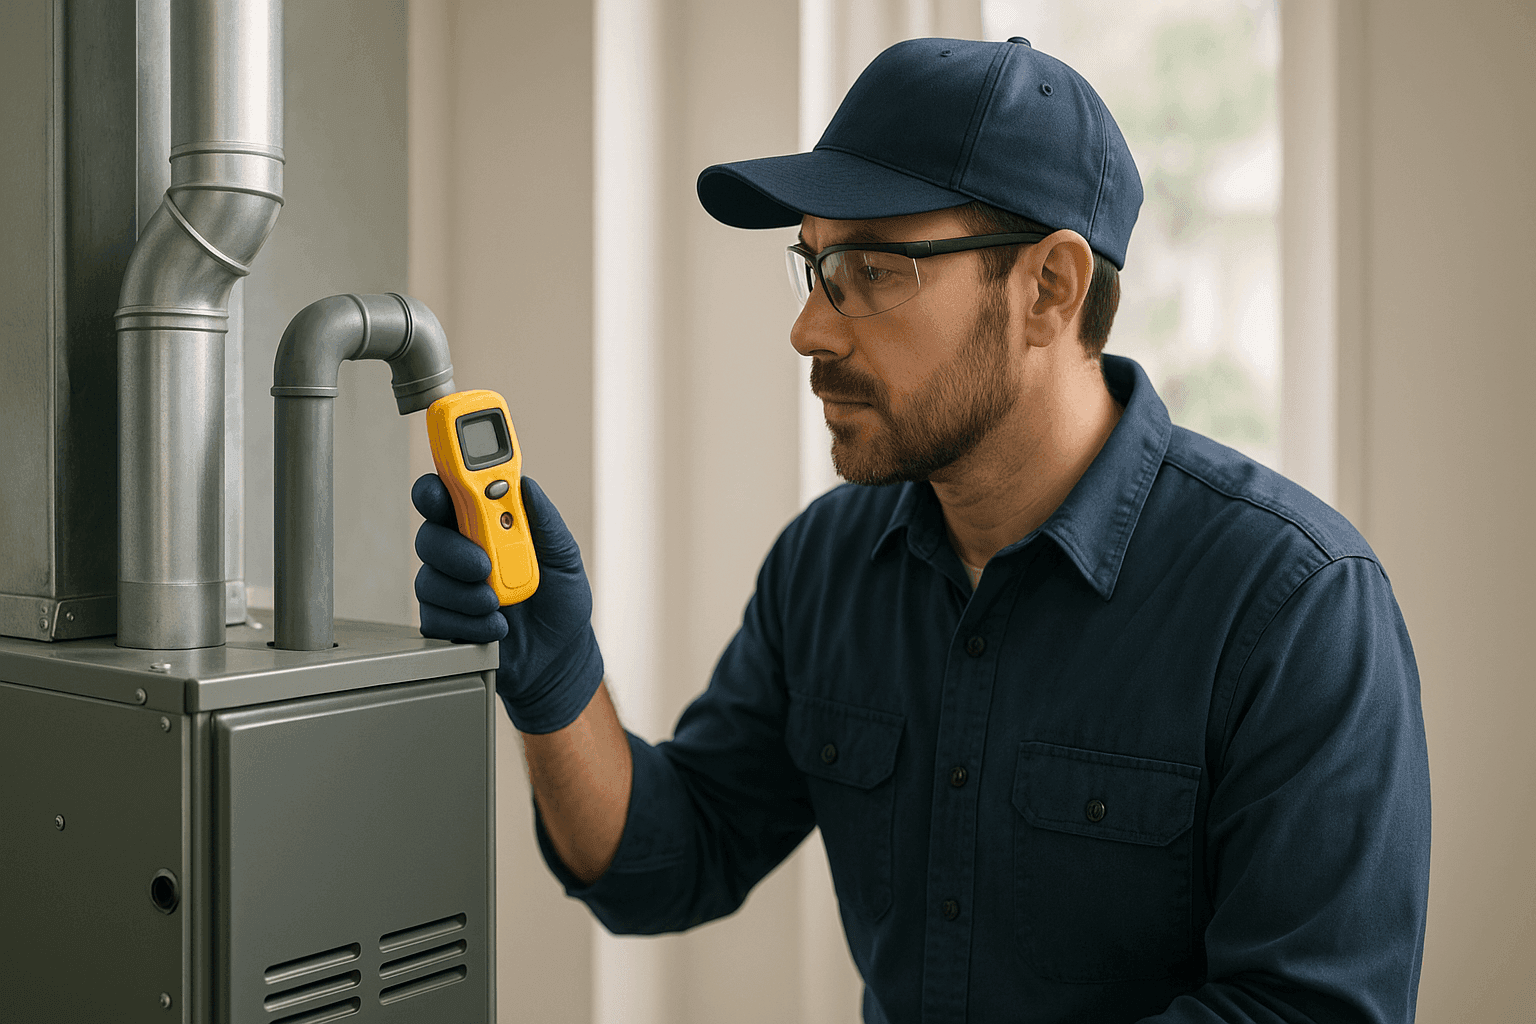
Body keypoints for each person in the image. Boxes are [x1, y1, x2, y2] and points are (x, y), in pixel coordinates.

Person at [412, 36, 1430, 1024]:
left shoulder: (1297, 605)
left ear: (1050, 287)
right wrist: (557, 681)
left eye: (869, 269)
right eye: (811, 266)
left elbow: (1308, 1005)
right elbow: (663, 863)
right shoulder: (825, 566)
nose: (809, 328)